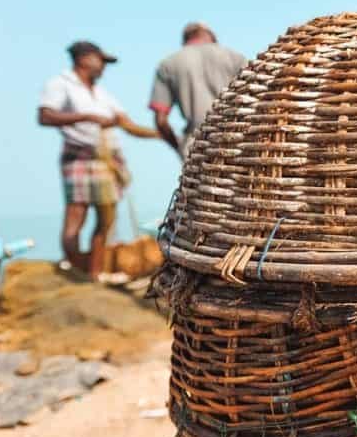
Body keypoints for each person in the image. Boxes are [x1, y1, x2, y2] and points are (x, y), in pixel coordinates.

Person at [38, 41, 158, 280]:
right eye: (101, 61)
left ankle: (94, 273)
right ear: (84, 59)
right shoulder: (61, 84)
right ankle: (74, 267)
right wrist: (86, 117)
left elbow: (128, 125)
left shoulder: (103, 95)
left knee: (106, 219)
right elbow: (45, 115)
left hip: (107, 160)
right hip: (80, 157)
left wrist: (161, 134)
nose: (103, 67)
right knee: (76, 215)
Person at [149, 22, 245, 157]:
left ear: (185, 40)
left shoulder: (168, 64)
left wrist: (178, 147)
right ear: (212, 37)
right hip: (237, 141)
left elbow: (161, 121)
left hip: (195, 146)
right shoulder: (235, 58)